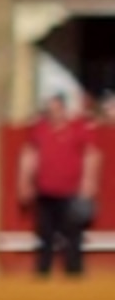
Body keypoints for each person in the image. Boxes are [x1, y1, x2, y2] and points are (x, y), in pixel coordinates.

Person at [18, 90, 101, 278]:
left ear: (63, 109)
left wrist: (88, 182)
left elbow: (91, 155)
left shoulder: (77, 128)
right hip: (45, 189)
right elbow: (30, 155)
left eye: (55, 109)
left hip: (70, 191)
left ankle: (74, 272)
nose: (52, 113)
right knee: (45, 233)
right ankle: (43, 272)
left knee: (73, 235)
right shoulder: (40, 128)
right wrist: (25, 182)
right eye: (49, 110)